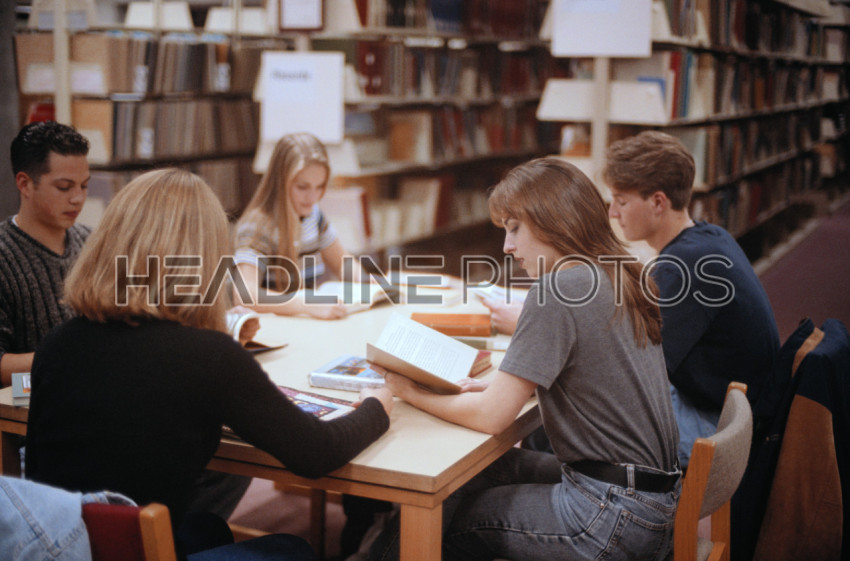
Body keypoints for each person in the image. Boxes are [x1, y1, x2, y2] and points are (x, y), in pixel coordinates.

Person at [24, 168, 393, 558]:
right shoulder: (209, 356)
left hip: (56, 546)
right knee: (293, 549)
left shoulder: (57, 343)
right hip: (136, 551)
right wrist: (377, 406)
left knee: (207, 527)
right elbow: (317, 453)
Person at [369, 157, 680, 561]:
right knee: (475, 473)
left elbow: (491, 418)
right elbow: (593, 372)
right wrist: (501, 384)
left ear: (553, 222)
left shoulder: (556, 290)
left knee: (437, 522)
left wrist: (409, 391)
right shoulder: (620, 272)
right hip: (652, 503)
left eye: (515, 228)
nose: (507, 246)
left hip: (610, 517)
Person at [603, 130, 781, 468]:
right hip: (734, 409)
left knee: (574, 424)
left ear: (658, 202)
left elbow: (633, 367)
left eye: (621, 201)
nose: (613, 212)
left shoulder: (684, 265)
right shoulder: (708, 237)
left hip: (718, 427)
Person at [234, 132, 369, 320]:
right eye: (302, 187)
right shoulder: (257, 226)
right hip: (273, 327)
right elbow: (244, 295)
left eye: (319, 186)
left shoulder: (313, 216)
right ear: (280, 182)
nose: (312, 197)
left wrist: (365, 283)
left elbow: (342, 263)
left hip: (306, 323)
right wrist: (303, 303)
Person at [0, 121, 90, 387]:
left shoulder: (93, 243)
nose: (78, 198)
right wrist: (74, 354)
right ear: (25, 184)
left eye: (84, 186)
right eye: (64, 187)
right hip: (25, 402)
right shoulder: (4, 256)